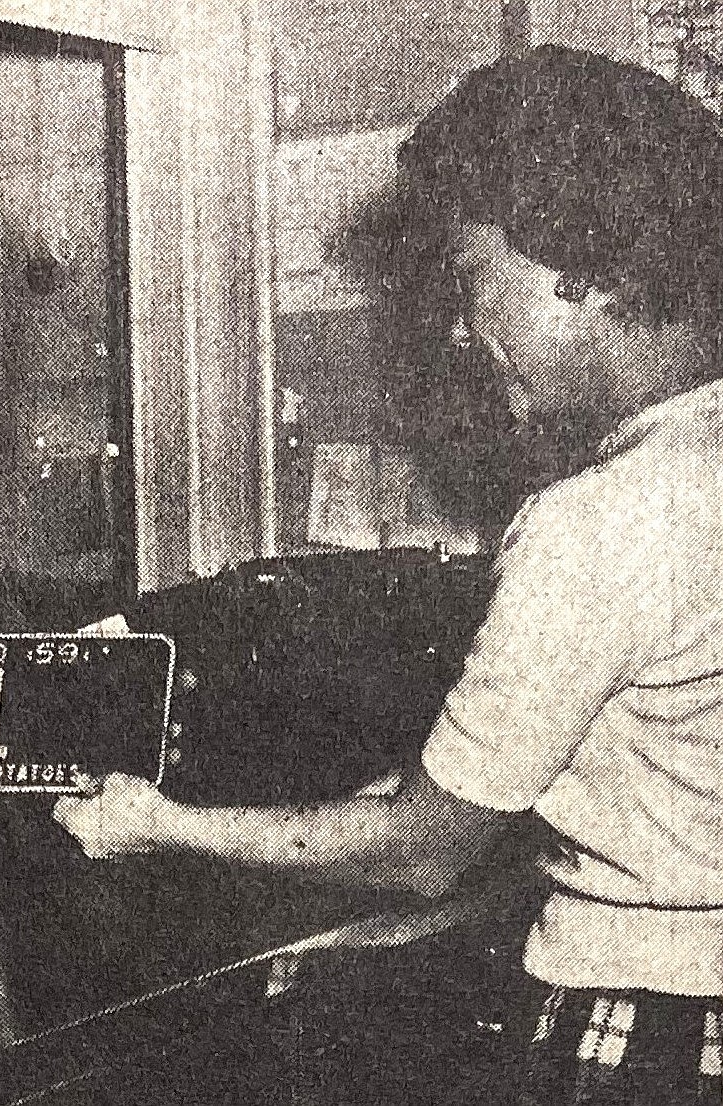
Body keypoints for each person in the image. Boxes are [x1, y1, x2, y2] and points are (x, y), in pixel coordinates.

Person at [54, 45, 723, 1103]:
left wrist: (154, 820)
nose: (462, 327)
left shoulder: (598, 521)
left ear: (581, 271)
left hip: (637, 1028)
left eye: (471, 278)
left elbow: (424, 851)